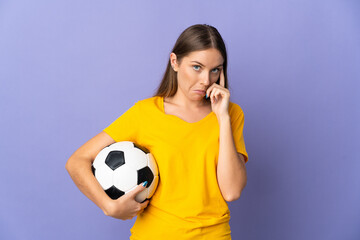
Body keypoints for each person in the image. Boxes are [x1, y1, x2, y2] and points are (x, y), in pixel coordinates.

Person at [65, 23, 248, 239]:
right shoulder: (145, 113)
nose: (206, 80)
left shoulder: (231, 114)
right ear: (175, 62)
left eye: (215, 70)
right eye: (197, 67)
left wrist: (223, 118)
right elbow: (77, 161)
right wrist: (109, 206)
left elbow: (232, 191)